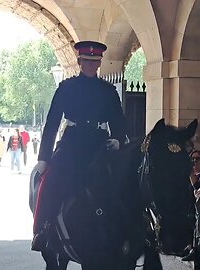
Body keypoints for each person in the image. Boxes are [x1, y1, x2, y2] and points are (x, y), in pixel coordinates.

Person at [31, 40, 127, 252]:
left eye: (95, 62)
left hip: (101, 144)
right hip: (72, 144)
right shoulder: (67, 88)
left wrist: (118, 139)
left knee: (125, 181)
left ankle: (133, 231)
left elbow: (119, 121)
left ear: (99, 63)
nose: (91, 66)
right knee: (50, 180)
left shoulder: (109, 90)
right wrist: (44, 157)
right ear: (79, 62)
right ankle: (44, 229)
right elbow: (52, 123)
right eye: (87, 61)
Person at [182, 150, 200, 262]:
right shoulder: (192, 173)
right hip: (188, 205)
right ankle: (189, 247)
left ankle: (194, 251)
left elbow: (197, 187)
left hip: (199, 207)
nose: (194, 161)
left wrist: (190, 173)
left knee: (196, 229)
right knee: (189, 227)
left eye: (197, 158)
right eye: (192, 159)